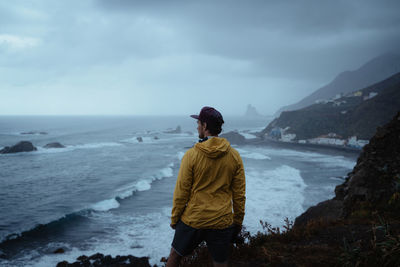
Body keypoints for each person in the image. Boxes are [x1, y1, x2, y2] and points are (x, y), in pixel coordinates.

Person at [166, 106, 246, 267]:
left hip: (194, 219)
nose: (197, 126)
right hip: (222, 220)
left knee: (174, 256)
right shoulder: (234, 156)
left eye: (199, 123)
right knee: (220, 263)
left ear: (205, 126)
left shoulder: (191, 155)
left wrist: (175, 219)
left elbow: (181, 192)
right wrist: (237, 222)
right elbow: (239, 194)